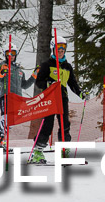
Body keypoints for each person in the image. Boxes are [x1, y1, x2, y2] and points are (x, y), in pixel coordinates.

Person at [30, 35, 86, 164]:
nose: (60, 52)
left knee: (64, 124)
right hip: (49, 100)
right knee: (47, 125)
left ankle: (64, 150)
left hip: (63, 99)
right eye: (58, 50)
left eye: (62, 50)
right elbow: (39, 82)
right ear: (53, 50)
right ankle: (37, 151)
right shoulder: (47, 65)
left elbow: (73, 84)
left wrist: (81, 94)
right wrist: (49, 83)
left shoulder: (67, 66)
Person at [0, 42, 37, 149]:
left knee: (11, 122)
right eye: (8, 53)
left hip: (17, 98)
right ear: (5, 54)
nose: (11, 55)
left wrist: (34, 76)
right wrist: (2, 72)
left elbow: (24, 85)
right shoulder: (2, 65)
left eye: (13, 53)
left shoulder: (19, 70)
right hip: (7, 96)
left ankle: (0, 140)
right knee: (6, 118)